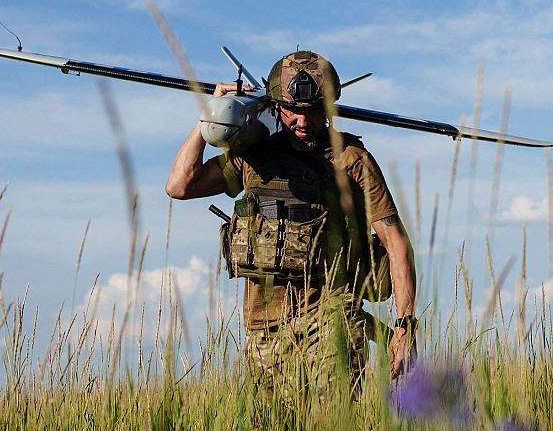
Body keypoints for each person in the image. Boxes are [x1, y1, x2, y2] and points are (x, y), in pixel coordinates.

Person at [165, 50, 416, 391]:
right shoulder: (253, 156)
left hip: (332, 323)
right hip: (264, 329)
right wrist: (210, 117)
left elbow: (396, 243)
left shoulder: (352, 160)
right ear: (275, 106)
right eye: (292, 111)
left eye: (312, 111)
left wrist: (404, 327)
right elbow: (180, 186)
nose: (302, 121)